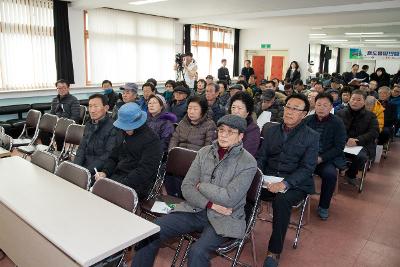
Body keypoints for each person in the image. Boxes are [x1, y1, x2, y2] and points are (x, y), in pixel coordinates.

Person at [131, 114, 257, 267]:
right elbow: (186, 187)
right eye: (221, 130)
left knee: (197, 252)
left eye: (230, 132)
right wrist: (210, 204)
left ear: (241, 136)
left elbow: (229, 198)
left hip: (225, 217)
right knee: (151, 233)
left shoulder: (248, 162)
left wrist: (201, 186)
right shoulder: (204, 152)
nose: (223, 135)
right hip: (195, 209)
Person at [257, 93, 319, 267]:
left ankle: (274, 252)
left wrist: (284, 183)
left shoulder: (311, 136)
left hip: (294, 183)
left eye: (295, 109)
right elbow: (262, 157)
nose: (289, 112)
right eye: (288, 107)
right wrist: (259, 176)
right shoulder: (271, 130)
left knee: (282, 200)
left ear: (304, 114)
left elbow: (307, 168)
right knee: (245, 186)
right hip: (268, 178)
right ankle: (237, 232)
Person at [95, 102, 162, 200]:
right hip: (117, 176)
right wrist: (105, 172)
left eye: (127, 127)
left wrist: (119, 184)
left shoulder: (152, 140)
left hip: (136, 184)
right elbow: (114, 156)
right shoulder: (123, 132)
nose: (125, 129)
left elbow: (145, 170)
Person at [304, 93, 346, 220]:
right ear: (314, 105)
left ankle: (323, 206)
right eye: (318, 105)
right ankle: (296, 198)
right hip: (306, 157)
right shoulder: (307, 120)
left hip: (325, 159)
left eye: (325, 105)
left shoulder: (337, 123)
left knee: (330, 175)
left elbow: (339, 147)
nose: (321, 108)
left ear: (331, 107)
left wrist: (321, 158)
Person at [166, 96, 217, 197]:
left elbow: (208, 147)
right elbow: (174, 139)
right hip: (178, 160)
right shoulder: (183, 122)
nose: (191, 112)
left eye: (195, 109)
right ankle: (173, 196)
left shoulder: (209, 125)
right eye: (189, 108)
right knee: (167, 171)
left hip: (195, 163)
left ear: (203, 110)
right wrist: (172, 154)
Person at [336, 90, 379, 184]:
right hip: (343, 142)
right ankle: (339, 169)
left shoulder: (371, 116)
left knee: (361, 157)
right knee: (331, 150)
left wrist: (358, 140)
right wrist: (347, 139)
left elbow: (374, 132)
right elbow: (335, 130)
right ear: (349, 100)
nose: (355, 102)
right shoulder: (340, 113)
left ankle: (350, 174)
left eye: (359, 100)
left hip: (362, 145)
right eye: (353, 99)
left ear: (364, 102)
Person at [74, 94, 123, 177]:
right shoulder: (89, 124)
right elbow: (81, 148)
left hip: (99, 171)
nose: (92, 110)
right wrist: (76, 167)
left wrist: (86, 172)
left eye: (96, 106)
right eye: (90, 106)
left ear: (106, 108)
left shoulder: (114, 128)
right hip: (84, 168)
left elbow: (108, 155)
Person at [47, 79, 80, 150]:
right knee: (42, 131)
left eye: (64, 87)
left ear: (68, 88)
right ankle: (49, 149)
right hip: (56, 124)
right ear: (57, 89)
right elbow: (52, 114)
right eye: (59, 88)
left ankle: (60, 152)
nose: (61, 90)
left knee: (59, 133)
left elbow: (75, 117)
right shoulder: (55, 100)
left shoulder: (74, 100)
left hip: (68, 125)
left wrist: (62, 124)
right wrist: (52, 123)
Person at [228, 91, 260, 156]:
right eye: (233, 107)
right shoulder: (225, 124)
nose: (236, 111)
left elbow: (246, 154)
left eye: (240, 108)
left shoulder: (253, 129)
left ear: (247, 112)